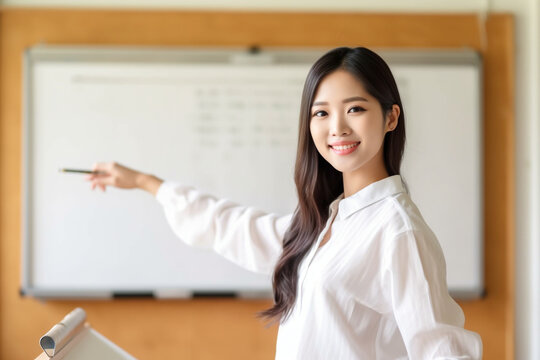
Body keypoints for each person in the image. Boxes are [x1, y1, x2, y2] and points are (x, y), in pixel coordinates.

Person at [86, 47, 482, 359]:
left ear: (391, 117)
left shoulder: (399, 230)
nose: (337, 127)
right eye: (321, 113)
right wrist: (143, 181)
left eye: (355, 109)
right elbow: (235, 226)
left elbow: (443, 352)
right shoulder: (329, 220)